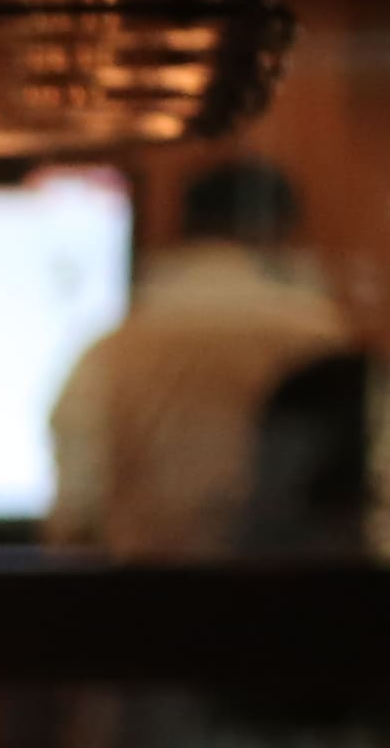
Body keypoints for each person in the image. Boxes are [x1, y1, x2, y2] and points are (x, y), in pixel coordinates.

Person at [52, 158, 346, 561]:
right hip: (282, 593)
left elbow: (77, 505)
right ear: (283, 229)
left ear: (181, 226)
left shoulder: (117, 346)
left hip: (142, 595)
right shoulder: (315, 333)